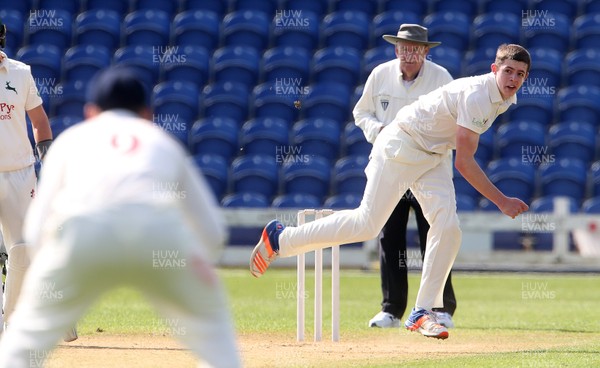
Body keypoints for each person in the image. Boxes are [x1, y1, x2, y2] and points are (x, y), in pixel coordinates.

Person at [250, 44, 531, 340]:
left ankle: (422, 310)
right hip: (402, 144)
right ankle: (280, 239)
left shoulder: (502, 98)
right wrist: (502, 201)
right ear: (494, 69)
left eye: (520, 74)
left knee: (448, 227)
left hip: (433, 155)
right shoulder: (478, 95)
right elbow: (464, 162)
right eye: (508, 71)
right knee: (367, 224)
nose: (513, 78)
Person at [0, 67, 242, 367]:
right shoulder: (162, 141)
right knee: (216, 335)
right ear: (146, 114)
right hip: (160, 237)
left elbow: (36, 231)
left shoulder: (72, 140)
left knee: (23, 345)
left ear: (91, 113)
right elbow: (213, 233)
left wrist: (55, 272)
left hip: (83, 237)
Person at [353, 24, 457, 329]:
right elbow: (362, 113)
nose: (409, 55)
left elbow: (456, 122)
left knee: (436, 235)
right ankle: (391, 309)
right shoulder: (380, 75)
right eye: (404, 48)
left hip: (428, 170)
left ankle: (438, 308)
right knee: (390, 237)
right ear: (396, 49)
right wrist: (379, 132)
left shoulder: (441, 79)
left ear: (425, 51)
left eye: (415, 49)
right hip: (392, 168)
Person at [0, 21, 66, 337]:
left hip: (20, 173)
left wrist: (47, 163)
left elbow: (39, 122)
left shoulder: (20, 72)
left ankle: (13, 319)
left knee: (24, 249)